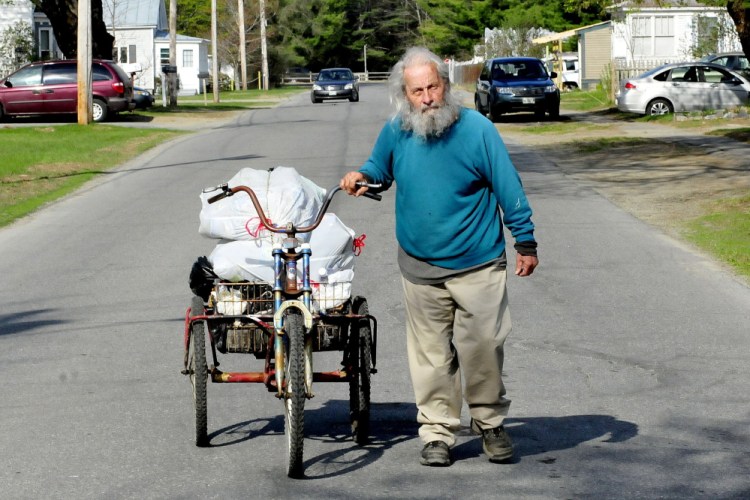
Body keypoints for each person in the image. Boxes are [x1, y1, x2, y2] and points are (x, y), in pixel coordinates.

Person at [340, 47, 539, 467]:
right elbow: (379, 168)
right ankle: (436, 432)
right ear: (404, 94)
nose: (427, 97)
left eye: (433, 86)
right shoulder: (397, 130)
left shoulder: (477, 129)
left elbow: (508, 184)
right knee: (430, 356)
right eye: (417, 91)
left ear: (445, 86)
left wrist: (525, 242)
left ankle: (489, 423)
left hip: (478, 262)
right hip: (419, 267)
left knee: (483, 347)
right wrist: (362, 176)